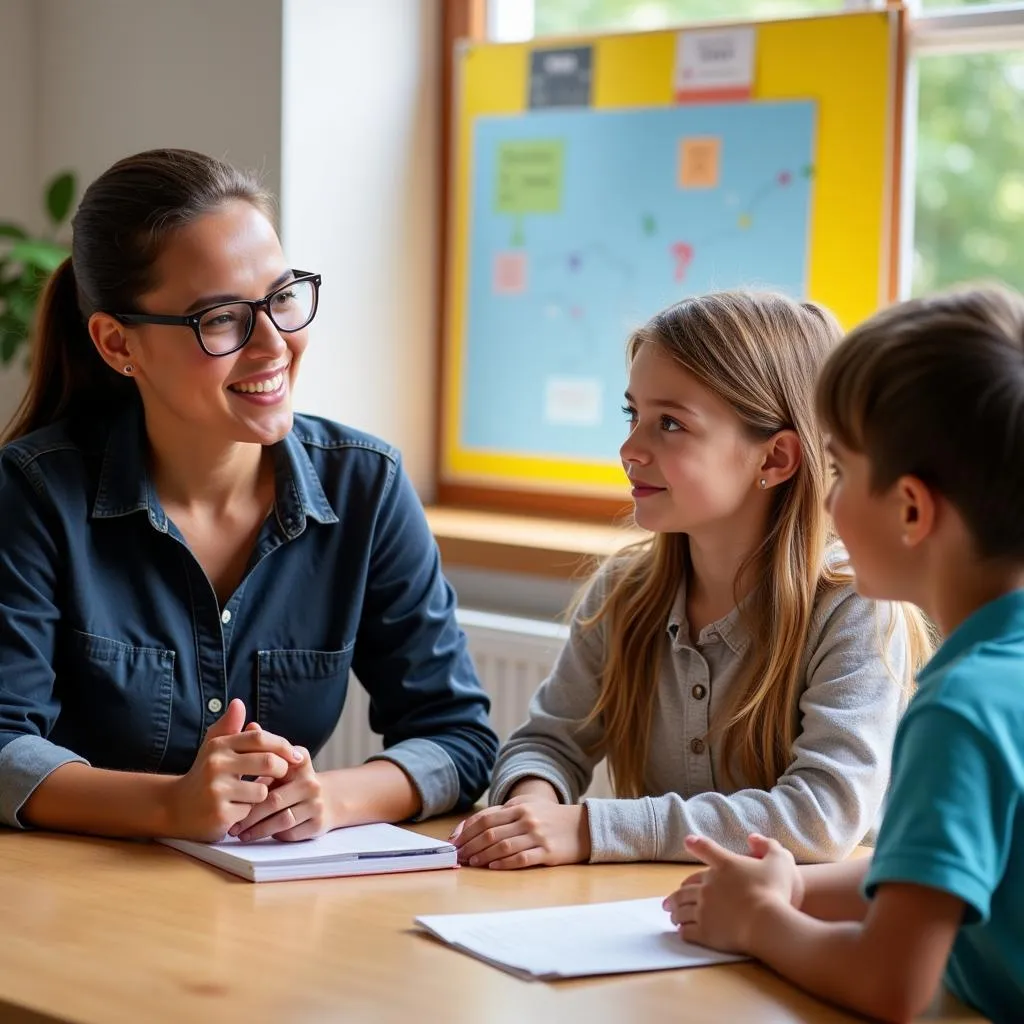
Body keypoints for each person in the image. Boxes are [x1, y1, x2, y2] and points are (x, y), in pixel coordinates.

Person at [0, 149, 497, 843]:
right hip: (74, 900)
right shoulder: (32, 494)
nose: (273, 344)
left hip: (267, 904)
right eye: (223, 318)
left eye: (283, 297)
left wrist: (329, 798)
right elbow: (3, 746)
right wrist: (170, 806)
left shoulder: (367, 486)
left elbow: (458, 737)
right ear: (119, 344)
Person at [452, 291, 931, 870]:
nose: (629, 449)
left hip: (805, 941)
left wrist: (587, 827)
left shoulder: (854, 605)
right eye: (633, 416)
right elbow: (548, 743)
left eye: (671, 424)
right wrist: (529, 812)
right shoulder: (624, 592)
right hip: (656, 921)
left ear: (776, 459)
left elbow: (822, 816)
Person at [664, 285, 1024, 1024]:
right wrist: (791, 889)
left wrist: (759, 924)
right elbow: (930, 882)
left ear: (911, 510)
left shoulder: (962, 707)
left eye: (841, 470)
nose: (826, 502)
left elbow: (890, 983)